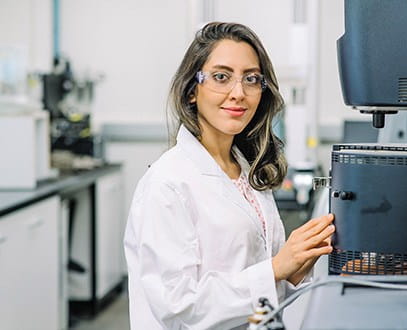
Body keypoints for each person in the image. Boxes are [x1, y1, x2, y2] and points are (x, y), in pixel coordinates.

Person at [123, 22, 335, 329]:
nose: (238, 93)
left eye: (251, 79)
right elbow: (179, 305)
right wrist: (277, 267)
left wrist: (295, 268)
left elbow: (260, 281)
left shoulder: (245, 172)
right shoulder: (167, 183)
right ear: (192, 90)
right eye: (221, 77)